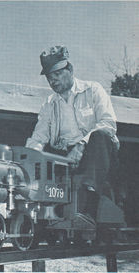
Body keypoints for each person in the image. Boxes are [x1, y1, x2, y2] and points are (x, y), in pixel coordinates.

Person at [26, 45, 120, 221]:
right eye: (49, 78)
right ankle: (42, 213)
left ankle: (89, 207)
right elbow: (38, 137)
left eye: (57, 75)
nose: (53, 81)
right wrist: (28, 157)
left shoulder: (93, 90)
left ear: (70, 70)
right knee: (39, 155)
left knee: (100, 136)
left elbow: (108, 124)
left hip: (95, 155)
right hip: (64, 157)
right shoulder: (49, 104)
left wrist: (81, 145)